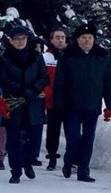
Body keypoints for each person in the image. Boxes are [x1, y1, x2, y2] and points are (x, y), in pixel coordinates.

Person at [53, 23, 111, 183]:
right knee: (73, 137)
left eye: (90, 38)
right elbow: (60, 82)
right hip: (71, 106)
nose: (87, 40)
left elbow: (108, 83)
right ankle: (69, 161)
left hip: (92, 105)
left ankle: (83, 171)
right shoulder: (68, 56)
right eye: (84, 38)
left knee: (88, 139)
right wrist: (59, 103)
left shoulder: (101, 57)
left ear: (94, 39)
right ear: (77, 40)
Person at [0, 25, 49, 184]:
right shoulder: (4, 57)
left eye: (23, 38)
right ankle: (16, 170)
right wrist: (19, 90)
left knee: (33, 139)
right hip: (14, 102)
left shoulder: (37, 56)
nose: (20, 42)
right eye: (17, 39)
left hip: (33, 102)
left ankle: (28, 163)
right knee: (13, 139)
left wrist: (33, 89)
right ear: (11, 41)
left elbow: (44, 76)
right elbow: (3, 79)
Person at [42, 27, 68, 171]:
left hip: (69, 102)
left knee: (72, 132)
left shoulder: (71, 56)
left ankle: (72, 159)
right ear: (51, 40)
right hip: (52, 101)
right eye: (57, 37)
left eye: (62, 37)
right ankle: (52, 158)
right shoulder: (46, 58)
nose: (60, 40)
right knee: (53, 132)